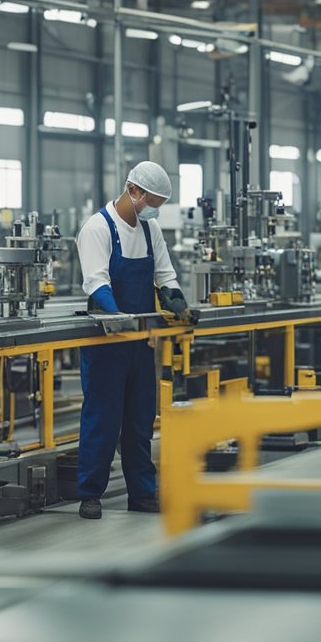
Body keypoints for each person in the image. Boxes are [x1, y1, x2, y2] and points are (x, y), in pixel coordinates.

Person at [75, 161, 187, 519]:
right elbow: (97, 283)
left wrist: (177, 303)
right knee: (102, 420)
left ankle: (142, 492)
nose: (152, 208)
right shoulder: (97, 228)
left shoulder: (151, 230)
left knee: (140, 421)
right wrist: (122, 318)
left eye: (158, 203)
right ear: (132, 190)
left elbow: (165, 276)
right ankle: (90, 494)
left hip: (141, 344)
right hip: (106, 344)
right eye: (150, 200)